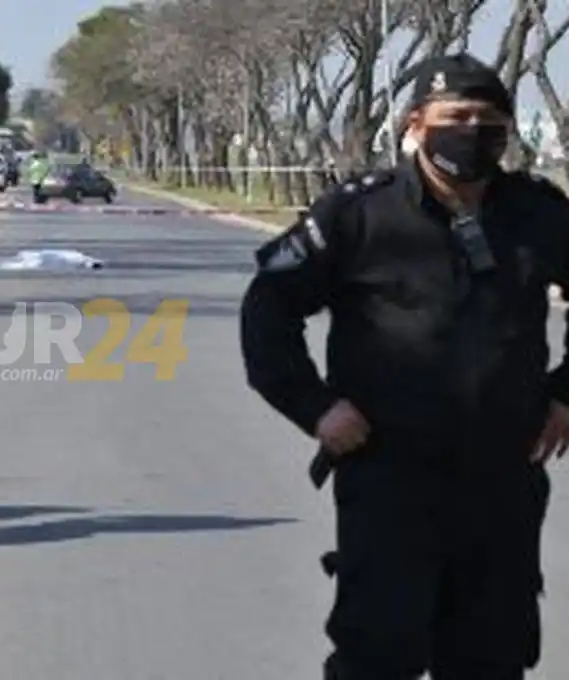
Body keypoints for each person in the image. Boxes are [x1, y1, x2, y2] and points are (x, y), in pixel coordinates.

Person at [240, 53, 568, 679]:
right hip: (389, 476)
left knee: (492, 656)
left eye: (488, 119)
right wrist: (315, 408)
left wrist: (566, 393)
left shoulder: (540, 214)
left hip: (503, 479)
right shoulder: (357, 214)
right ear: (415, 124)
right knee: (379, 651)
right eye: (455, 116)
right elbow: (268, 309)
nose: (472, 131)